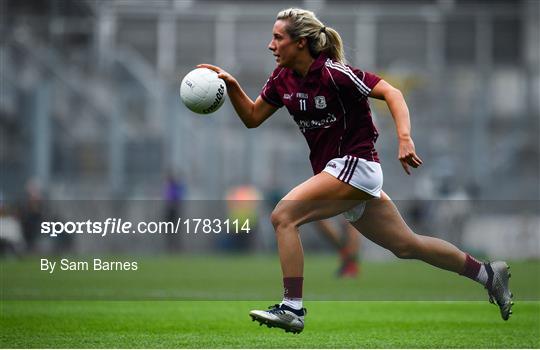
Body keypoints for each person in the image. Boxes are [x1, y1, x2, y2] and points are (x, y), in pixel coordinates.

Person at [198, 8, 513, 334]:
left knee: (283, 216)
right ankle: (488, 275)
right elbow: (251, 117)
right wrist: (232, 86)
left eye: (278, 37)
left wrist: (404, 137)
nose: (270, 45)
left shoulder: (334, 74)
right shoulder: (282, 80)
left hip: (357, 166)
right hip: (341, 174)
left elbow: (392, 92)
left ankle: (292, 308)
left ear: (301, 43)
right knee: (407, 246)